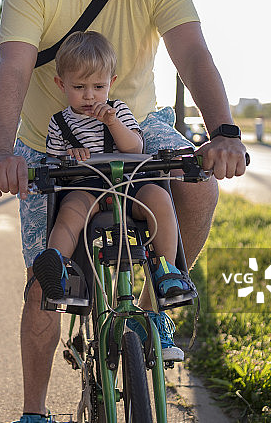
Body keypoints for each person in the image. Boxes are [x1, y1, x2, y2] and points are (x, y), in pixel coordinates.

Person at [0, 0, 247, 420]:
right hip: (51, 138)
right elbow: (13, 68)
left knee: (199, 183)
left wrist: (224, 132)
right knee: (42, 285)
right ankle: (34, 411)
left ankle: (157, 303)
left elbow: (192, 53)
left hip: (136, 124)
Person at [33, 30, 191, 362]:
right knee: (70, 213)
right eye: (79, 87)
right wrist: (70, 155)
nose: (89, 96)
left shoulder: (118, 110)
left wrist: (113, 123)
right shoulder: (59, 123)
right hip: (86, 186)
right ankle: (58, 266)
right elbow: (53, 163)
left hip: (127, 184)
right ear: (61, 85)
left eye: (98, 87)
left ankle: (166, 270)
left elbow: (135, 147)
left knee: (159, 199)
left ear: (111, 83)